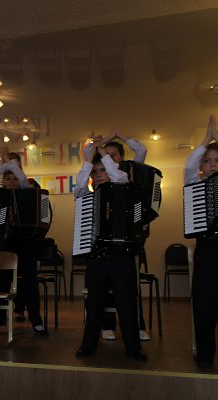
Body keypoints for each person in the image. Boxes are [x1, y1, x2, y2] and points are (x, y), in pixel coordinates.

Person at [74, 138, 147, 361]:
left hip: (122, 256)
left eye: (103, 170)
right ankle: (88, 345)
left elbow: (119, 176)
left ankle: (133, 348)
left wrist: (103, 153)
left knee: (127, 302)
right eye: (95, 172)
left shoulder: (123, 186)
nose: (98, 175)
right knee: (94, 302)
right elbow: (79, 186)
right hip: (96, 256)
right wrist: (88, 160)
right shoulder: (87, 196)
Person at [185, 115, 218, 368]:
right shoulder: (195, 184)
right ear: (201, 167)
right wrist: (206, 141)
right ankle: (205, 355)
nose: (213, 165)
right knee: (205, 303)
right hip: (207, 248)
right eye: (207, 161)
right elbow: (189, 167)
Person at [97, 131, 151, 341]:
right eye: (106, 155)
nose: (110, 158)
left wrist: (118, 134)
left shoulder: (130, 171)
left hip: (131, 238)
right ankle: (107, 324)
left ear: (121, 157)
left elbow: (141, 149)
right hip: (106, 238)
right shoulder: (102, 176)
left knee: (131, 284)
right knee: (107, 282)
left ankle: (138, 325)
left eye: (114, 155)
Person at [0, 147, 48, 337]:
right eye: (8, 179)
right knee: (1, 282)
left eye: (15, 178)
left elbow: (40, 209)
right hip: (5, 245)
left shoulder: (28, 191)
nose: (12, 182)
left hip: (26, 244)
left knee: (29, 283)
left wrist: (12, 166)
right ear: (3, 181)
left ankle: (36, 321)